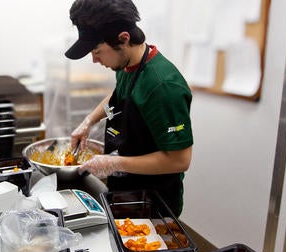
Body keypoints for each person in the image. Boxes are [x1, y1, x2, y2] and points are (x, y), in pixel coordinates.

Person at [66, 0, 193, 217]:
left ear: (123, 39)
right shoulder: (127, 65)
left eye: (97, 51)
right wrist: (89, 121)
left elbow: (180, 160)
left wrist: (114, 163)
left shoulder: (163, 86)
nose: (94, 60)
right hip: (126, 191)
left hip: (153, 205)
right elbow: (119, 97)